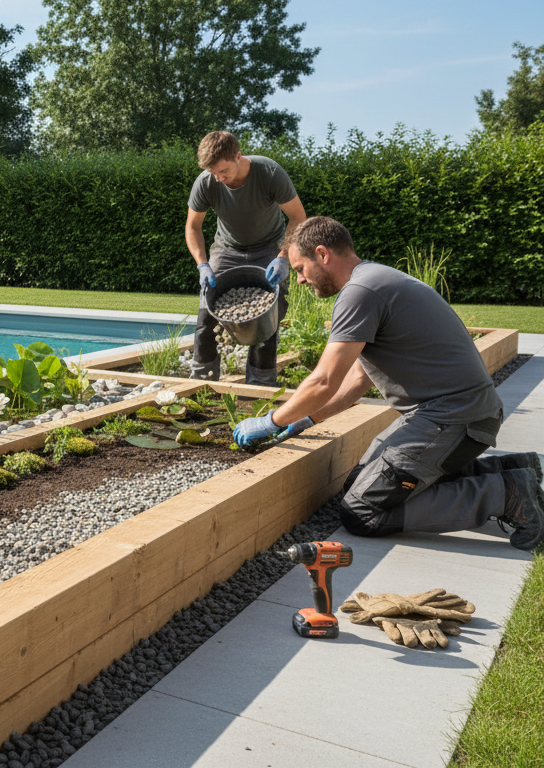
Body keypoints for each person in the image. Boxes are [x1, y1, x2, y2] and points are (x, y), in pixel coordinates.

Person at [233, 216, 544, 551]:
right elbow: (355, 380)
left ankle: (507, 494)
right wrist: (307, 420)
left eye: (299, 268)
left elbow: (324, 380)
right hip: (453, 416)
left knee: (362, 511)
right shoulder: (374, 280)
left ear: (322, 254)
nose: (299, 279)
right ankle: (514, 469)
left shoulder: (360, 293)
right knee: (358, 482)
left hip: (455, 419)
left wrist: (270, 421)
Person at [186, 130, 307, 386]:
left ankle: (260, 384)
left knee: (268, 317)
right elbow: (192, 227)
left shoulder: (269, 173)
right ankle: (201, 381)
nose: (219, 179)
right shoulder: (207, 181)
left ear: (238, 157)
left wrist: (283, 256)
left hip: (268, 249)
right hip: (226, 249)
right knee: (207, 313)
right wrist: (203, 264)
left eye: (223, 172)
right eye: (213, 173)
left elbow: (298, 217)